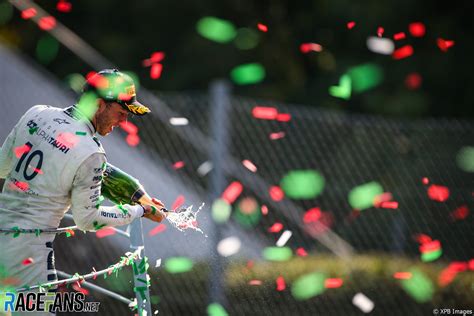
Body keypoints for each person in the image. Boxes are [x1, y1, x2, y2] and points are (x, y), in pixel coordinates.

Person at [0, 69, 166, 313]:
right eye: (121, 113)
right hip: (28, 255)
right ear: (99, 105)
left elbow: (3, 166)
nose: (124, 122)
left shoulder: (37, 113)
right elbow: (87, 220)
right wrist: (139, 210)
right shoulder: (91, 153)